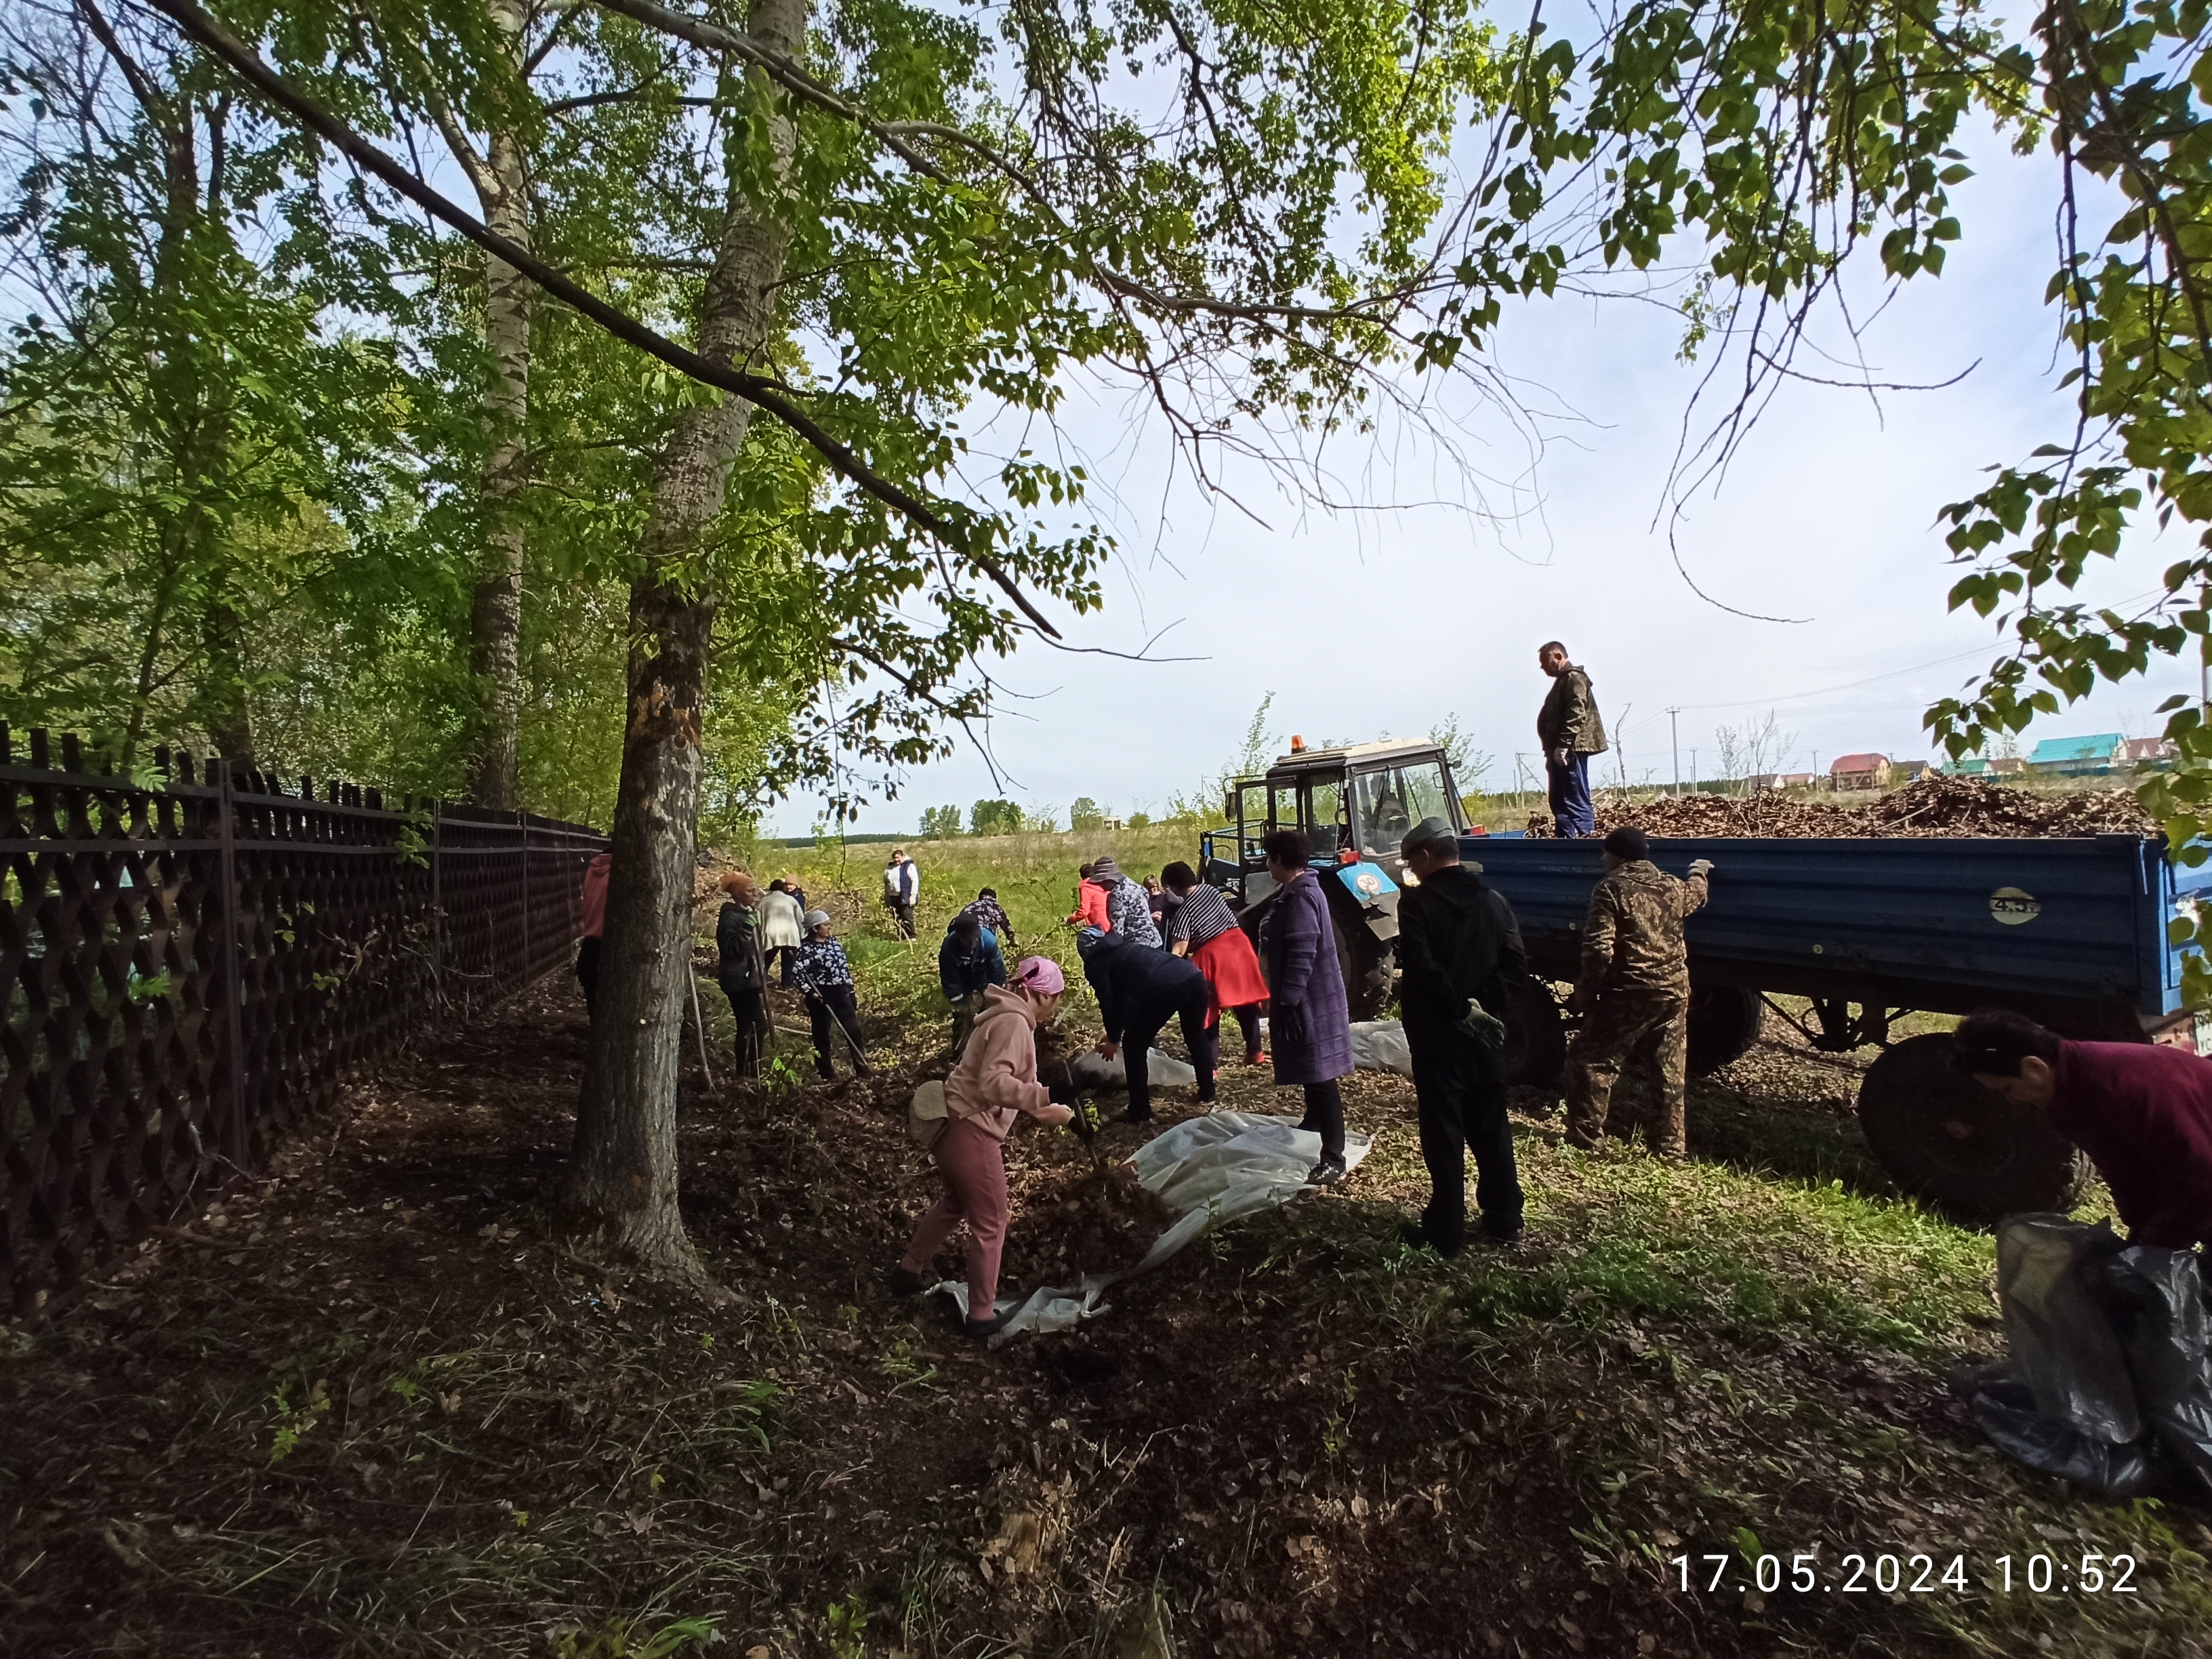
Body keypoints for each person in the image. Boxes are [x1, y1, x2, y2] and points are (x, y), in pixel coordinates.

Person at [889, 957, 1078, 1338]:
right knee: (992, 1222)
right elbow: (996, 1085)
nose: (1056, 1006)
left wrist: (1067, 1117)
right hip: (972, 1132)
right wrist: (1048, 1094)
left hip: (953, 1126)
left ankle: (907, 1270)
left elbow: (1021, 1092)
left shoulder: (1003, 1016)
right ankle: (980, 1315)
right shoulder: (1013, 1023)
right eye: (1055, 997)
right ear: (1037, 995)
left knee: (954, 1203)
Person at [1952, 1010, 2212, 1250]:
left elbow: (2199, 1180)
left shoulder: (2120, 1088)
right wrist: (2139, 1235)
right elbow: (2122, 1169)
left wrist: (2156, 1243)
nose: (2012, 1100)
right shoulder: (2064, 1094)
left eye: (2008, 1089)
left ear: (2035, 1067)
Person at [1395, 817, 1526, 1251]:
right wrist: (1483, 1008)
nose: (1411, 867)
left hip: (1438, 1037)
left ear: (1427, 855)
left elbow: (1421, 966)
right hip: (1487, 1037)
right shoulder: (1495, 901)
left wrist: (1458, 1009)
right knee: (1491, 1125)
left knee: (1444, 1131)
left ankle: (1446, 1231)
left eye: (1412, 858)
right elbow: (1514, 966)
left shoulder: (1416, 904)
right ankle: (1504, 1217)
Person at [1561, 825, 1713, 1157]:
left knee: (1591, 1060)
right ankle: (1671, 1151)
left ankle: (1586, 1140)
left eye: (1605, 853)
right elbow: (1696, 892)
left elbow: (1599, 948)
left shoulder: (1611, 889)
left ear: (1616, 856)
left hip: (1631, 991)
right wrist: (1699, 869)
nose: (1603, 858)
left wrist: (1587, 991)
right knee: (1669, 1071)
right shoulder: (1672, 886)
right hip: (1674, 991)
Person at [1256, 827, 1353, 1185]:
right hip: (1308, 998)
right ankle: (1313, 1119)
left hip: (1310, 1000)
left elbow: (1302, 953)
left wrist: (1288, 1001)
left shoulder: (1301, 898)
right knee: (1313, 1069)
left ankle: (1334, 1157)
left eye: (1269, 859)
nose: (1268, 866)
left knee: (1322, 1074)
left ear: (1280, 860)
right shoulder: (1296, 892)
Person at [1082, 926, 1214, 1121]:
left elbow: (1109, 1002)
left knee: (1134, 1045)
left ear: (1085, 952)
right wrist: (1115, 1032)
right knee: (1195, 1036)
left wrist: (1114, 1039)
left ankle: (1139, 1109)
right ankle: (1207, 1091)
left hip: (1165, 986)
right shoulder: (1127, 950)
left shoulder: (1097, 964)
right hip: (1193, 976)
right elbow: (1127, 1001)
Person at [1161, 861, 1269, 1069]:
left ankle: (1210, 1067)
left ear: (1173, 886)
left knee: (1209, 1011)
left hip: (1214, 957)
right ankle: (1255, 1052)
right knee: (1245, 1001)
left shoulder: (1184, 912)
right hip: (1239, 947)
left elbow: (1179, 951)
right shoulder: (1210, 891)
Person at [1537, 640, 1609, 838]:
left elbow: (1577, 711)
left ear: (1558, 657)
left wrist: (1563, 746)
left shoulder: (1574, 678)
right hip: (1561, 750)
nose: (1542, 666)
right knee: (1560, 802)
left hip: (1571, 750)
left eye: (1545, 660)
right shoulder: (1563, 680)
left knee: (1574, 799)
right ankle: (1566, 843)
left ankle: (1583, 841)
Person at [792, 909, 872, 1079]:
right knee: (822, 1034)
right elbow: (797, 974)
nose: (829, 928)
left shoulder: (834, 942)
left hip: (840, 991)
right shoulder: (806, 949)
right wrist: (812, 993)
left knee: (854, 1030)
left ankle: (863, 1069)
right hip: (821, 994)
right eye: (826, 925)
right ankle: (826, 1072)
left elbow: (843, 968)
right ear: (815, 928)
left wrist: (850, 990)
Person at [715, 872, 771, 1080]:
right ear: (738, 894)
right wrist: (746, 929)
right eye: (749, 890)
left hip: (751, 980)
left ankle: (752, 1071)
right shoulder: (730, 917)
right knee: (751, 1026)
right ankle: (745, 1073)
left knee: (757, 1026)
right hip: (739, 982)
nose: (754, 893)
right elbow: (730, 950)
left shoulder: (748, 912)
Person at [939, 912, 1008, 1058]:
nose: (972, 943)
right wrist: (961, 1002)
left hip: (983, 976)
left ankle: (988, 1051)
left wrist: (995, 994)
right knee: (962, 1017)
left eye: (975, 938)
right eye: (968, 940)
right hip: (963, 980)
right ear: (959, 936)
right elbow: (950, 979)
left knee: (990, 1014)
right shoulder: (949, 947)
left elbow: (997, 969)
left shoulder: (988, 940)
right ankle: (960, 1054)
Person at [1085, 855, 1163, 948]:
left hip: (1138, 946)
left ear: (1109, 878)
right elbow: (1145, 893)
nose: (1100, 885)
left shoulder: (1116, 895)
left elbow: (1117, 933)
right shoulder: (1132, 884)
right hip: (1154, 940)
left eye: (1101, 881)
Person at [576, 849, 612, 1016]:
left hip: (590, 946)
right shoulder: (620, 874)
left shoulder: (593, 870)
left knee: (595, 1005)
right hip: (610, 948)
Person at [758, 878, 806, 987]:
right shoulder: (791, 900)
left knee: (766, 961)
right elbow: (800, 919)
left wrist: (760, 938)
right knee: (788, 963)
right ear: (783, 888)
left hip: (771, 935)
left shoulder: (764, 902)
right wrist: (802, 935)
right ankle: (786, 985)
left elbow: (759, 922)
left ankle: (760, 983)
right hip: (789, 935)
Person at [960, 886, 1018, 951]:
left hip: (960, 935)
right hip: (982, 936)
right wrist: (1013, 940)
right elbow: (1006, 925)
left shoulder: (971, 906)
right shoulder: (994, 906)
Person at [882, 848, 920, 939]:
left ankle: (911, 937)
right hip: (893, 896)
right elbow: (886, 882)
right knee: (897, 917)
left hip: (905, 896)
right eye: (894, 858)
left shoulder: (909, 866)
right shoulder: (890, 868)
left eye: (898, 857)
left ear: (903, 856)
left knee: (907, 916)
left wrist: (913, 896)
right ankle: (902, 936)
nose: (896, 860)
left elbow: (915, 881)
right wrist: (886, 896)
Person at [1067, 862, 1111, 933]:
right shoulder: (1102, 884)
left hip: (1099, 927)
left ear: (1081, 876)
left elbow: (1084, 912)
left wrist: (1071, 920)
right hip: (1111, 925)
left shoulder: (1086, 888)